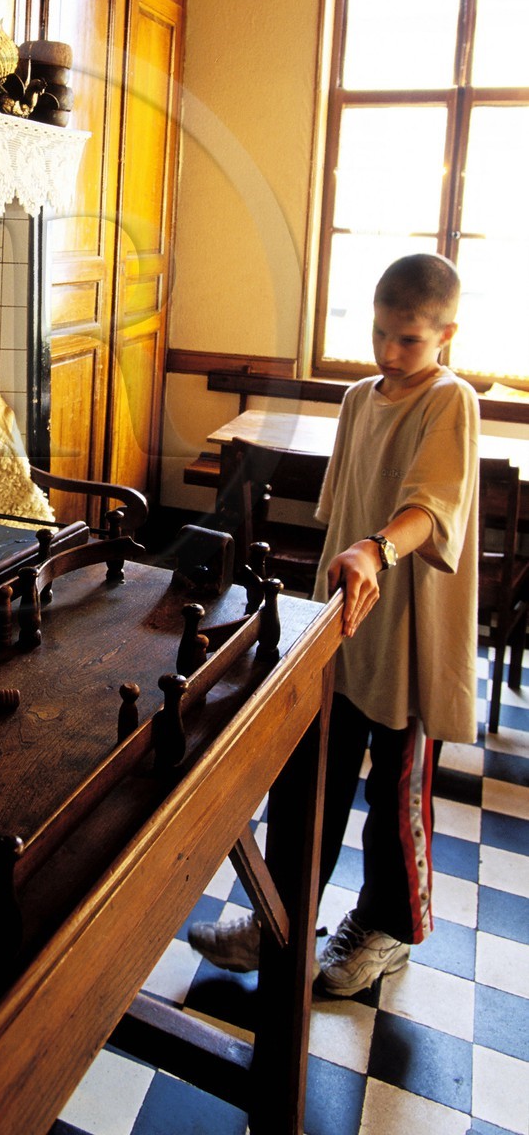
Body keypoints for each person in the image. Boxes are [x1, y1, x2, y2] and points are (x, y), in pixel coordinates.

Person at [190, 254, 479, 997]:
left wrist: (377, 548)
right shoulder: (357, 397)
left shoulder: (449, 401)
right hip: (341, 627)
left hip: (409, 633)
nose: (389, 353)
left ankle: (385, 931)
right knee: (305, 775)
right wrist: (340, 572)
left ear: (446, 334)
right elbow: (337, 519)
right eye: (380, 334)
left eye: (408, 340)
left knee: (394, 795)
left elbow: (430, 507)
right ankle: (278, 919)